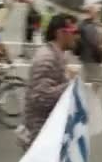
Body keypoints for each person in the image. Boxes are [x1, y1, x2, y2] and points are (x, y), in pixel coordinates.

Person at [18, 14, 77, 150]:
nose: (76, 36)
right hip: (41, 133)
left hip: (49, 129)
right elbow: (40, 96)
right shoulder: (47, 58)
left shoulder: (57, 55)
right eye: (73, 32)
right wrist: (71, 85)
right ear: (60, 33)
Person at [78, 5, 102, 91]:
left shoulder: (83, 25)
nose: (98, 15)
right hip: (92, 58)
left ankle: (88, 100)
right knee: (96, 81)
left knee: (88, 81)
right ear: (91, 13)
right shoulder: (89, 27)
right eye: (97, 13)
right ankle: (90, 101)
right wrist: (101, 50)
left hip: (86, 57)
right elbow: (95, 43)